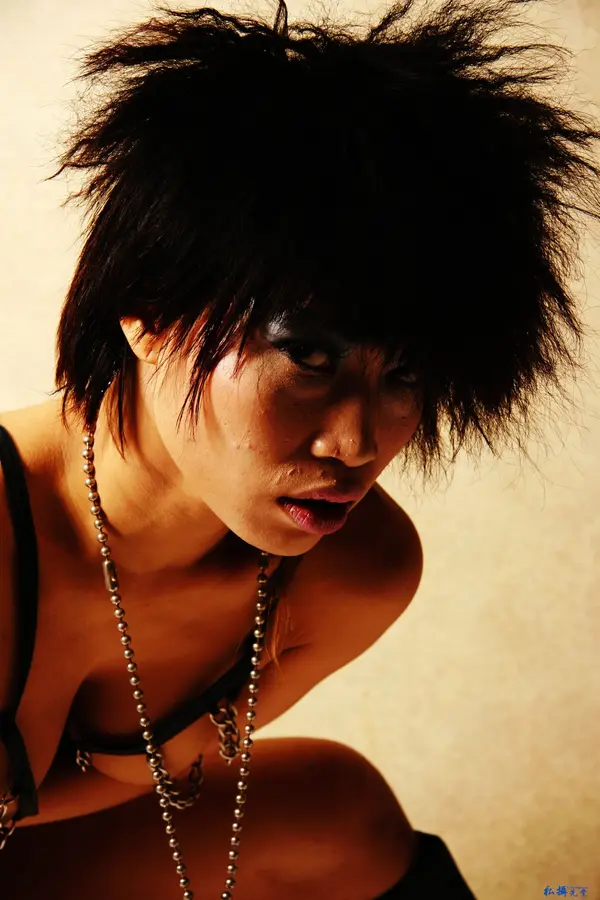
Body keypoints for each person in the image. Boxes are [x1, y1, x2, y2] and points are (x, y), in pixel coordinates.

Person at [1, 0, 599, 896]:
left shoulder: (354, 574)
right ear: (148, 312)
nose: (357, 442)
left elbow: (129, 790)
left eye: (404, 374)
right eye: (308, 357)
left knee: (338, 810)